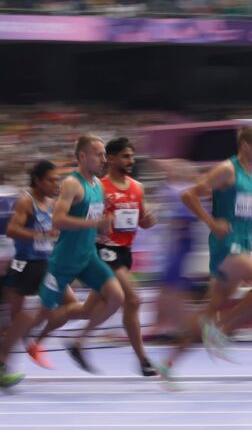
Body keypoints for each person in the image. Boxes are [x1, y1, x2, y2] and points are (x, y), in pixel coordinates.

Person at [158, 126, 252, 376]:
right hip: (227, 247)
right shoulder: (226, 170)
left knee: (211, 310)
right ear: (246, 146)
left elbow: (251, 212)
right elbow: (189, 195)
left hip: (243, 244)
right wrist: (211, 222)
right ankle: (221, 332)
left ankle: (169, 364)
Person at [31, 135, 124, 373]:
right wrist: (94, 224)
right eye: (98, 154)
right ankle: (30, 343)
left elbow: (92, 221)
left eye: (104, 154)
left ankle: (79, 342)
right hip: (64, 260)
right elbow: (58, 220)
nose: (104, 159)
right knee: (44, 312)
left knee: (116, 297)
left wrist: (101, 233)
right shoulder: (72, 183)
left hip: (88, 257)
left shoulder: (98, 186)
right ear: (82, 156)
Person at [3, 160, 83, 370]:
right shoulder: (26, 201)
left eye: (57, 180)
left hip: (46, 263)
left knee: (70, 305)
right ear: (37, 181)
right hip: (26, 265)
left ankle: (33, 343)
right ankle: (7, 357)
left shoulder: (51, 204)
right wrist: (41, 234)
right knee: (18, 319)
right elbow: (12, 230)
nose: (55, 185)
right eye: (50, 180)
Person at [94, 137, 157, 376]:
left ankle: (77, 341)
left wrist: (148, 221)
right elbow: (88, 220)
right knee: (133, 299)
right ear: (110, 158)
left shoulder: (137, 187)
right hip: (105, 250)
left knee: (89, 308)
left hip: (125, 252)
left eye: (132, 156)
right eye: (125, 156)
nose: (131, 161)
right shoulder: (99, 187)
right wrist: (99, 225)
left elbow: (141, 220)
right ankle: (143, 359)